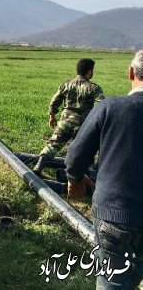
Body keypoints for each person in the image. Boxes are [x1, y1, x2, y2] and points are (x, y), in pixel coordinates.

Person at [65, 50, 143, 289]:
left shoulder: (111, 107)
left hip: (115, 216)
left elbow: (77, 154)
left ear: (130, 72)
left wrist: (75, 179)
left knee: (113, 283)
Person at [33, 58, 104, 175]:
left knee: (53, 144)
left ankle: (38, 166)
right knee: (83, 150)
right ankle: (80, 176)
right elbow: (102, 103)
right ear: (89, 72)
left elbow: (55, 100)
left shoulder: (66, 84)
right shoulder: (93, 87)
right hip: (83, 124)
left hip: (64, 120)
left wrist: (52, 115)